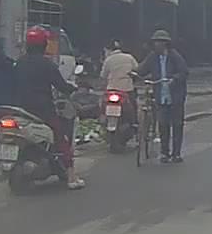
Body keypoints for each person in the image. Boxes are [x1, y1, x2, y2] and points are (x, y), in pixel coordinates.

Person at [14, 26, 84, 189]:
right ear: (44, 45)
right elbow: (61, 85)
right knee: (61, 138)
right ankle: (71, 177)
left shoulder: (19, 63)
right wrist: (72, 88)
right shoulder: (47, 64)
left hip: (20, 108)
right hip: (42, 109)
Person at [137, 29, 189, 163]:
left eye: (159, 42)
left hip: (175, 96)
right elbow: (142, 69)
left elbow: (184, 72)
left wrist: (174, 79)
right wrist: (132, 73)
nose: (156, 45)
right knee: (163, 124)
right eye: (155, 42)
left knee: (177, 124)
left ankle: (176, 153)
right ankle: (164, 152)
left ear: (165, 43)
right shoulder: (152, 57)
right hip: (160, 96)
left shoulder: (175, 56)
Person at [100, 39, 139, 115]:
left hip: (112, 89)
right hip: (127, 89)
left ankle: (104, 119)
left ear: (108, 50)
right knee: (133, 107)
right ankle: (134, 121)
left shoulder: (108, 60)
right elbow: (137, 69)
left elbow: (103, 75)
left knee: (104, 107)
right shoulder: (129, 57)